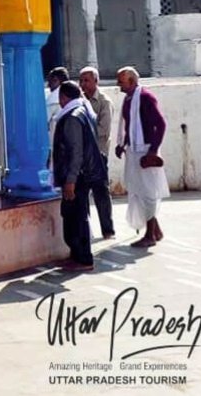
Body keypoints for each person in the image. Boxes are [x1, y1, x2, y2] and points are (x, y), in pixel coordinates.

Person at [51, 80, 106, 272]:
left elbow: (76, 152)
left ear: (63, 97)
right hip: (82, 174)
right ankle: (77, 255)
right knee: (73, 214)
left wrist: (71, 180)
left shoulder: (73, 117)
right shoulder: (82, 111)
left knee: (76, 216)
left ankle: (83, 258)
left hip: (77, 176)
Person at [114, 66, 169, 248]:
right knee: (137, 190)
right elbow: (129, 125)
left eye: (121, 81)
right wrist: (122, 145)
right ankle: (156, 230)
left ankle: (149, 235)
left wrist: (153, 150)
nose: (118, 85)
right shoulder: (129, 100)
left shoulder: (145, 97)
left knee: (148, 193)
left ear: (131, 81)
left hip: (145, 150)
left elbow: (160, 124)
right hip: (133, 150)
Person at [78, 66, 115, 240]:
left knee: (101, 193)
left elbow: (103, 130)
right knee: (82, 193)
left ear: (96, 81)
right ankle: (87, 230)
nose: (83, 84)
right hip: (82, 156)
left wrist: (82, 135)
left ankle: (108, 230)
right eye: (81, 80)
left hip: (98, 155)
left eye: (86, 80)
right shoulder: (79, 101)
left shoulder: (104, 102)